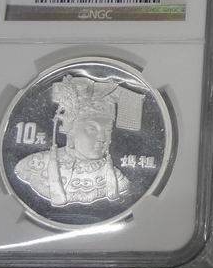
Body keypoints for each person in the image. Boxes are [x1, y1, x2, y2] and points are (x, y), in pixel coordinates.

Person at [14, 75, 130, 207]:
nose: (102, 138)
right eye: (92, 129)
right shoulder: (35, 165)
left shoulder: (116, 177)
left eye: (108, 130)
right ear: (71, 130)